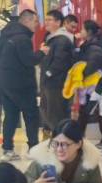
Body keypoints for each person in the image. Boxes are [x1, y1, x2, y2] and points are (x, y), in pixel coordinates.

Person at [21, 119, 102, 183]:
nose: (59, 149)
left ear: (78, 144)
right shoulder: (42, 158)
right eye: (55, 143)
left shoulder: (89, 161)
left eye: (65, 144)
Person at [0, 9, 44, 162]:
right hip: (21, 83)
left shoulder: (6, 33)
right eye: (35, 21)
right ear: (26, 21)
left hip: (3, 80)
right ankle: (33, 149)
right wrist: (42, 52)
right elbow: (29, 60)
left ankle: (7, 150)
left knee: (10, 115)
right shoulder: (23, 38)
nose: (37, 25)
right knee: (31, 115)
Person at [74, 20, 102, 150]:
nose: (80, 32)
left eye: (82, 29)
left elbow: (91, 66)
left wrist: (79, 74)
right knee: (88, 112)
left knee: (91, 113)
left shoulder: (94, 48)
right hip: (91, 85)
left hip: (94, 85)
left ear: (89, 32)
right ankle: (79, 138)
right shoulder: (89, 45)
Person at [40, 9, 75, 138]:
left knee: (55, 113)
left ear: (58, 22)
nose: (46, 22)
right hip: (48, 82)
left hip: (56, 83)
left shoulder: (62, 39)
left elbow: (60, 61)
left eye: (49, 20)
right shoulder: (51, 38)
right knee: (47, 111)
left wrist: (48, 73)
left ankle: (60, 138)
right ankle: (54, 138)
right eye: (46, 19)